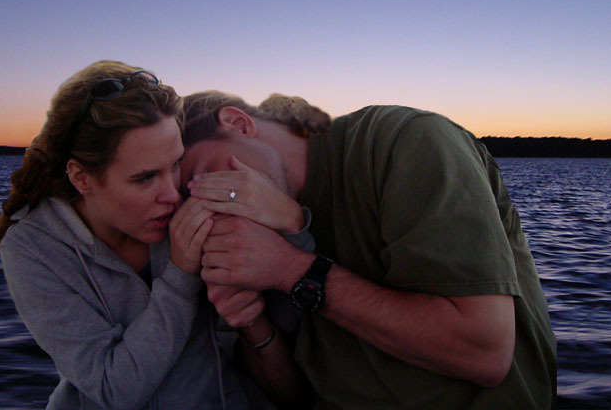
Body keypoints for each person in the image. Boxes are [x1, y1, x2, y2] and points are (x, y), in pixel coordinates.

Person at [179, 92, 558, 410]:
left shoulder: (404, 142)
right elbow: (293, 396)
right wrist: (251, 322)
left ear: (238, 123)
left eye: (204, 180)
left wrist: (290, 269)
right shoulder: (252, 231)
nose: (209, 207)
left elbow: (484, 351)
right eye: (190, 204)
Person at [0, 61, 264, 409]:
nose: (173, 194)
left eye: (175, 164)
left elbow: (285, 301)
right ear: (82, 179)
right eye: (145, 178)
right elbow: (113, 389)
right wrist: (180, 275)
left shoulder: (191, 202)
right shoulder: (34, 247)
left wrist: (278, 213)